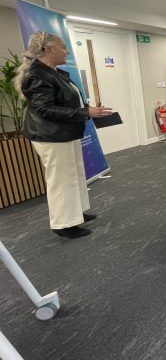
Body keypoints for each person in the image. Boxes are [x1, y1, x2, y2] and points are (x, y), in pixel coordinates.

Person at [15, 31, 113, 238]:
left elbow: (65, 100)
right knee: (61, 180)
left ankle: (75, 213)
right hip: (51, 136)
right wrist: (86, 112)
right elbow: (45, 109)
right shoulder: (37, 75)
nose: (66, 51)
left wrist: (86, 110)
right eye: (63, 47)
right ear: (48, 49)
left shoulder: (54, 72)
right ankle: (63, 224)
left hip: (65, 133)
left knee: (74, 174)